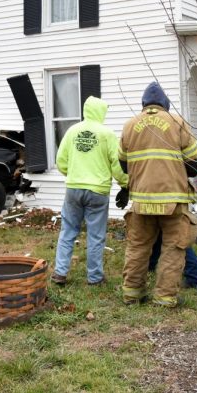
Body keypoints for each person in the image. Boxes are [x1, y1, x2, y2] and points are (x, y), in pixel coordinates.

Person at [119, 81, 197, 308]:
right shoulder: (176, 122)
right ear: (165, 103)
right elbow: (195, 165)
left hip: (141, 201)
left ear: (144, 104)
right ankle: (164, 298)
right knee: (173, 249)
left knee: (137, 247)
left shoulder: (129, 126)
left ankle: (132, 294)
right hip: (172, 201)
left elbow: (124, 165)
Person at [51, 96, 127, 286]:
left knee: (68, 230)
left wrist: (74, 174)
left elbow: (61, 161)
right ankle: (94, 277)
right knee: (95, 235)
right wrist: (126, 183)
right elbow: (117, 165)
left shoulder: (72, 131)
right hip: (98, 192)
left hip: (74, 189)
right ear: (101, 112)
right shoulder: (107, 134)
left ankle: (60, 273)